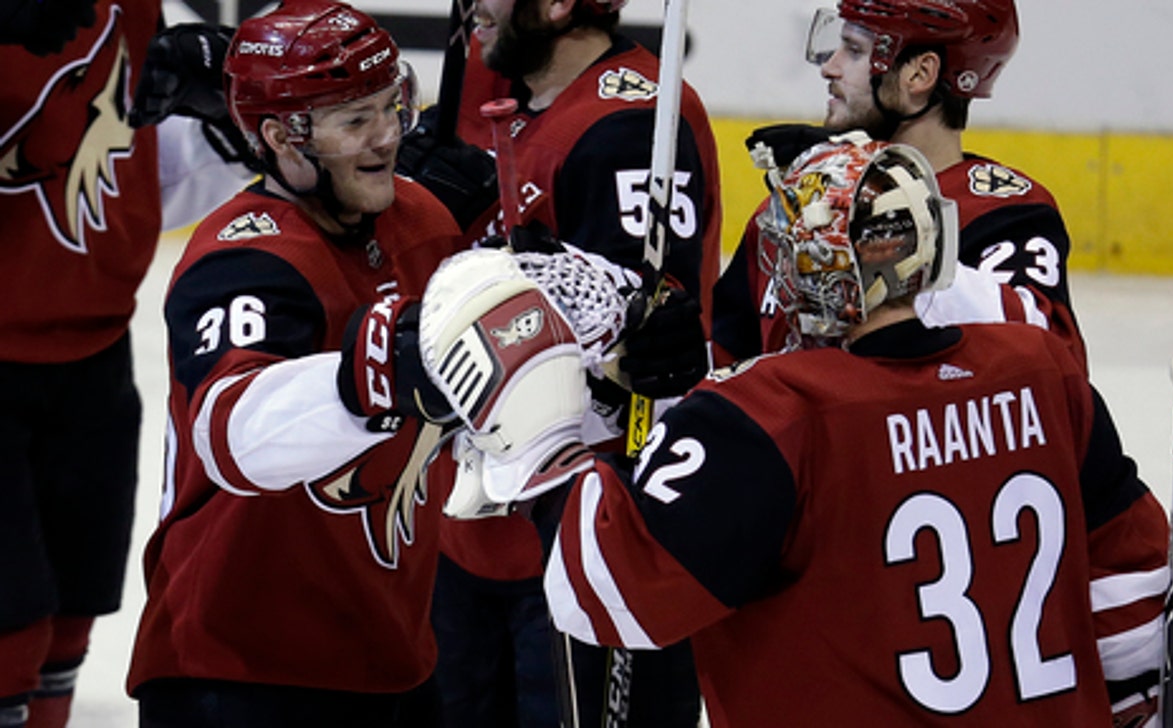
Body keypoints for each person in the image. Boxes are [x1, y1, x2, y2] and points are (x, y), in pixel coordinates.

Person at [422, 135, 1173, 726]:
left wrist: (543, 447)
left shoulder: (768, 416)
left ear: (809, 269)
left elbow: (610, 598)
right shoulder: (1040, 367)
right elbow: (1132, 584)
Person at [124, 2, 465, 725]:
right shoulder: (244, 258)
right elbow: (232, 432)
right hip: (235, 670)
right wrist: (370, 375)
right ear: (281, 138)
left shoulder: (426, 223)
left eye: (391, 106)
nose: (387, 138)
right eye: (354, 121)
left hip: (392, 655)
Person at [396, 1, 720, 725]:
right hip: (472, 532)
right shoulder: (493, 94)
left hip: (588, 544)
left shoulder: (629, 125)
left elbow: (644, 338)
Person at [0, 1, 249, 726]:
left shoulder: (136, 7)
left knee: (76, 604)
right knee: (9, 615)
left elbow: (145, 174)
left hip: (97, 344)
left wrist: (227, 115)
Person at [713, 0, 1085, 368]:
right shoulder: (800, 207)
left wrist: (886, 234)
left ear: (920, 74)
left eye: (855, 50)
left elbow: (1051, 368)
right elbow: (722, 364)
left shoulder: (1005, 215)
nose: (830, 67)